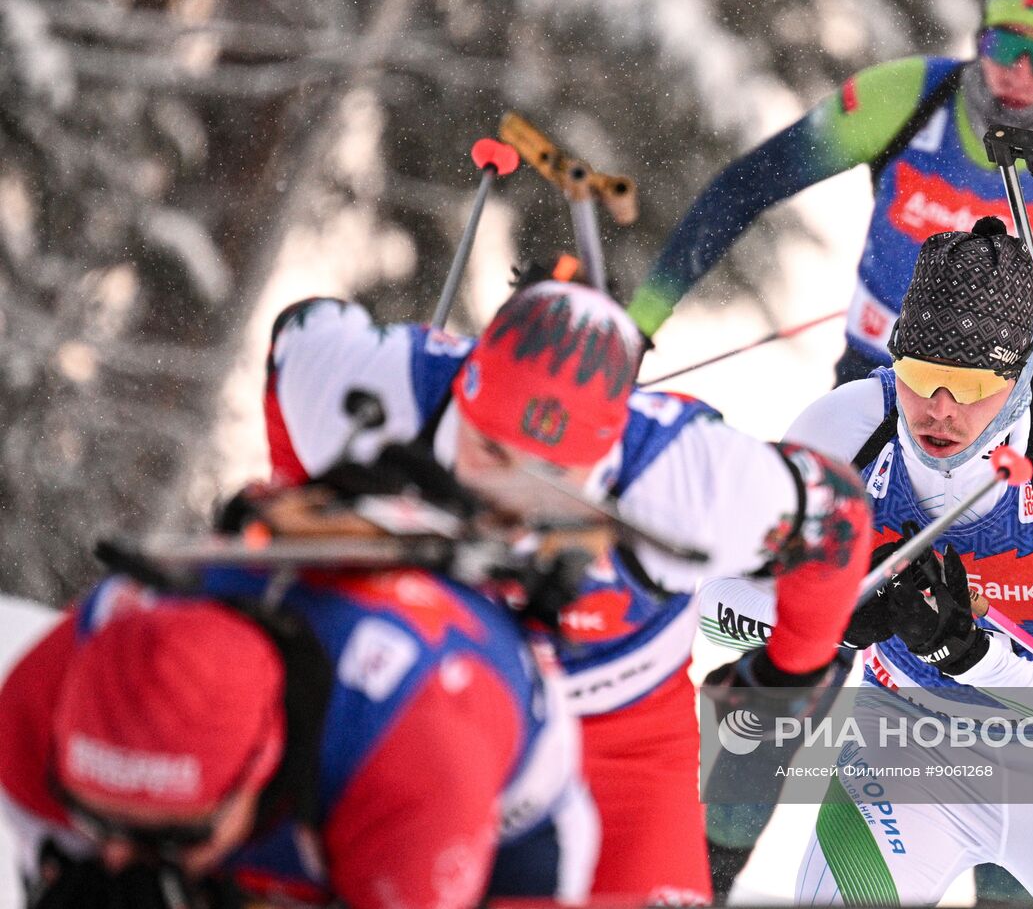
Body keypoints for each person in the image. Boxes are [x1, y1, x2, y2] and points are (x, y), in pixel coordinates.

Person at [263, 278, 874, 904]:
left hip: (614, 744)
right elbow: (296, 335)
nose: (508, 494)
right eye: (489, 450)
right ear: (465, 390)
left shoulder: (687, 478)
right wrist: (300, 522)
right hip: (410, 699)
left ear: (605, 448)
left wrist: (786, 675)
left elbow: (839, 517)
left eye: (551, 475)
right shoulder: (385, 388)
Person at [697, 219, 1033, 905]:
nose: (939, 409)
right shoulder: (847, 432)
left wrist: (973, 656)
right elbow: (710, 603)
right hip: (905, 748)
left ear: (1018, 378)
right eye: (922, 375)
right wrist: (835, 614)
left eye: (969, 386)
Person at [630, 0, 1033, 497]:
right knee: (814, 549)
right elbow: (744, 188)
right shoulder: (904, 96)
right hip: (876, 385)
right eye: (1006, 44)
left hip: (1013, 416)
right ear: (981, 34)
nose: (1022, 70)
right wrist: (635, 328)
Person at [0, 540, 596, 906]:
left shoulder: (414, 765)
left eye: (176, 837)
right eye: (95, 820)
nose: (118, 855)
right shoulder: (32, 712)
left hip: (484, 799)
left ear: (260, 768)